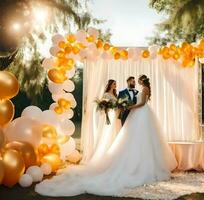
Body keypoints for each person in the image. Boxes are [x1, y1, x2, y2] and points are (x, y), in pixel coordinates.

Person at [35, 75, 177, 197]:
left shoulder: (143, 90)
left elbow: (141, 103)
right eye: (134, 80)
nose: (136, 82)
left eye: (138, 80)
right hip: (130, 115)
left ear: (141, 82)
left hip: (140, 113)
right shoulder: (124, 92)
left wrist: (130, 107)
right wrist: (124, 107)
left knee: (141, 138)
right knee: (132, 138)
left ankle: (141, 163)